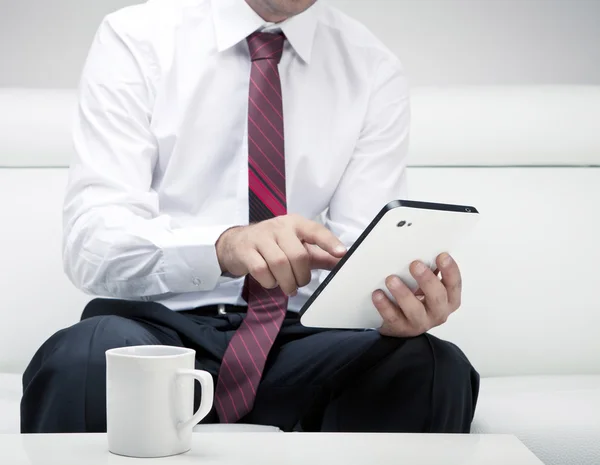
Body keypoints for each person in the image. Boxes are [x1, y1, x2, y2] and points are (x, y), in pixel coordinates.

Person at [21, 0, 479, 434]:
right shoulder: (136, 37)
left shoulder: (372, 67)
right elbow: (92, 245)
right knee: (84, 357)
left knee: (433, 368)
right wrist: (223, 247)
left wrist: (392, 303)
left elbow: (358, 254)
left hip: (298, 339)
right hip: (157, 326)